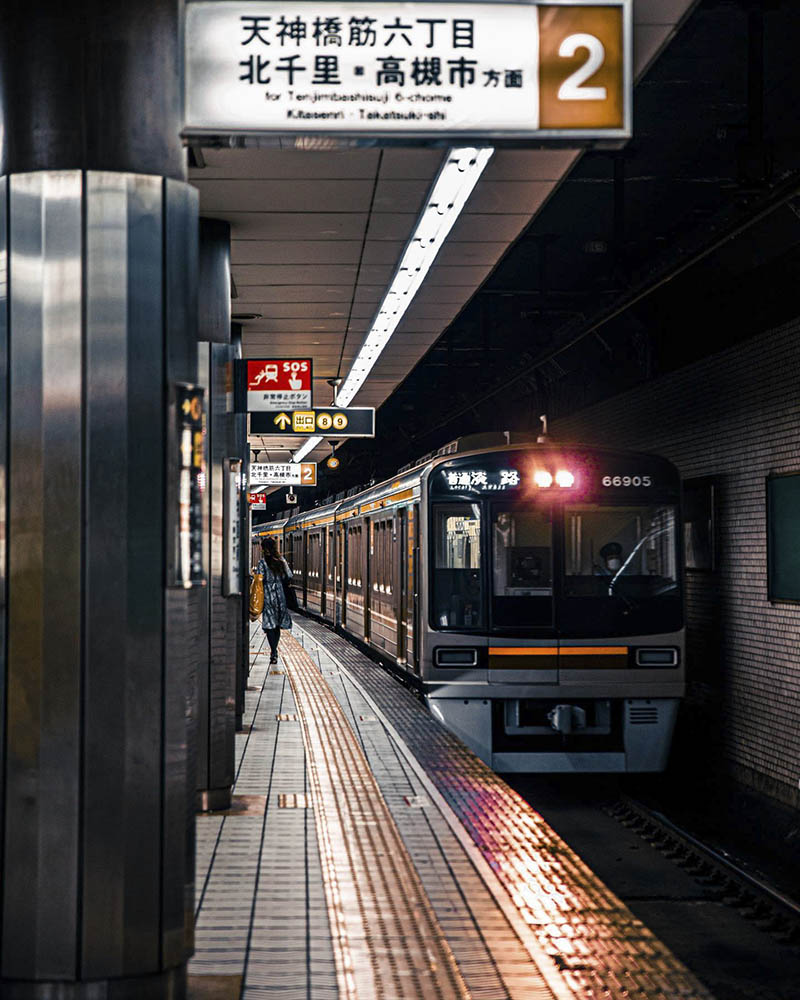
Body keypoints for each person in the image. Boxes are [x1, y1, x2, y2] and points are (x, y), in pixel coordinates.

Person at [256, 537, 292, 664]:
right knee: (277, 625)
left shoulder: (262, 563)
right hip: (280, 596)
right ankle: (274, 649)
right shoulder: (281, 560)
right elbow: (289, 575)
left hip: (268, 596)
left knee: (270, 625)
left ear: (263, 548)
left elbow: (259, 578)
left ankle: (274, 651)